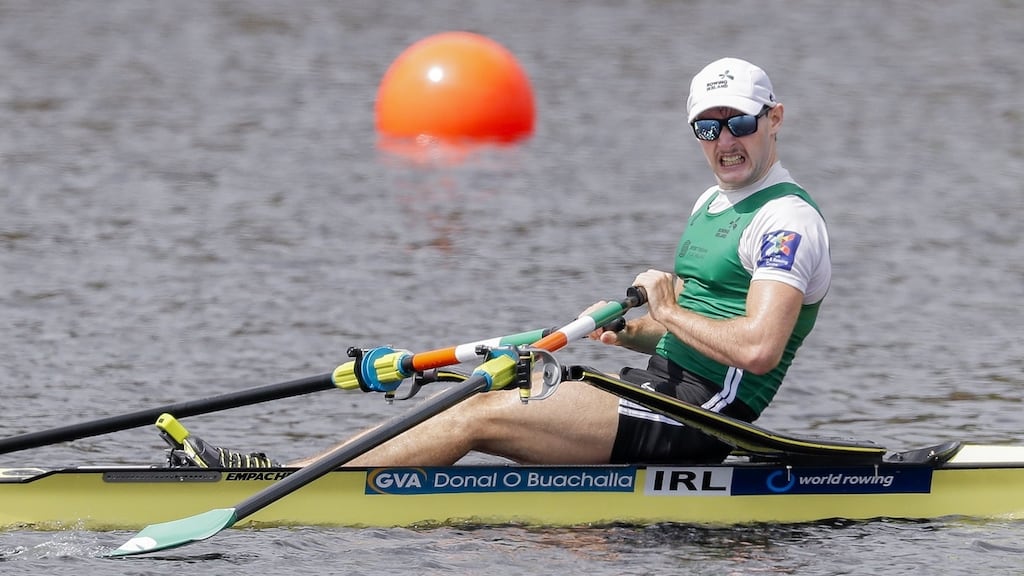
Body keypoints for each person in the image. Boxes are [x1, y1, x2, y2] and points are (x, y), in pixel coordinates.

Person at [176, 57, 830, 469]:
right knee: (485, 394)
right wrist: (635, 329)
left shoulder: (787, 221)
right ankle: (297, 472)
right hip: (657, 387)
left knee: (481, 413)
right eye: (706, 129)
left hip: (701, 418)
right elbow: (697, 322)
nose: (724, 143)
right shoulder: (714, 201)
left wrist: (662, 307)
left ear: (773, 118)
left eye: (738, 123)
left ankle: (295, 485)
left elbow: (758, 348)